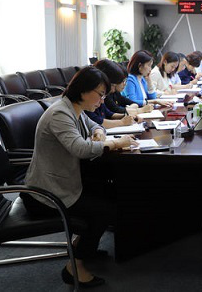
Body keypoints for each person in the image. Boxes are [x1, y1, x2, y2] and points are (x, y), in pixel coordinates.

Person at [22, 67, 138, 287]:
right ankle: (75, 266)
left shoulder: (73, 108)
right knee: (105, 210)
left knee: (110, 192)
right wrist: (115, 143)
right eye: (100, 94)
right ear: (84, 91)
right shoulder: (60, 113)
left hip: (64, 182)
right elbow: (80, 149)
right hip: (45, 193)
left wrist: (99, 133)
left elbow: (94, 125)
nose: (102, 101)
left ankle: (82, 246)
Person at [88, 59, 139, 128]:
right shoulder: (92, 97)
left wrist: (127, 116)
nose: (113, 90)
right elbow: (96, 121)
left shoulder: (102, 96)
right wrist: (122, 122)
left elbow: (108, 113)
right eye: (113, 85)